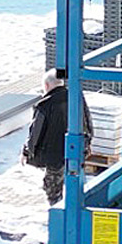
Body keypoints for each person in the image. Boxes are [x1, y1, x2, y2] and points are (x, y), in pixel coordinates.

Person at [22, 72, 94, 203]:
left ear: (46, 85)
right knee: (75, 181)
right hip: (75, 150)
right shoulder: (76, 98)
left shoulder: (44, 105)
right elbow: (87, 120)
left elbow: (35, 133)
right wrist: (87, 142)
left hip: (53, 155)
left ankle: (58, 212)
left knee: (52, 188)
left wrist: (27, 152)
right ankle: (73, 207)